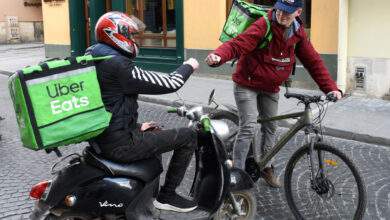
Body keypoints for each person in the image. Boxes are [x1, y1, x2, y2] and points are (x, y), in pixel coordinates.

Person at [206, 0, 342, 188]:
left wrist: (331, 88)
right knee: (249, 126)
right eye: (279, 10)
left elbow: (314, 61)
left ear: (298, 12)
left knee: (271, 128)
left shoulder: (297, 33)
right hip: (247, 84)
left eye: (287, 12)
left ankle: (266, 167)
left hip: (271, 87)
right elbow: (238, 44)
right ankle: (235, 174)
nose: (281, 15)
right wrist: (219, 55)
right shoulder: (264, 24)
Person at [87, 12, 199, 212]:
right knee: (189, 136)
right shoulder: (118, 64)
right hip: (120, 144)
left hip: (102, 136)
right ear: (116, 35)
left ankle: (142, 197)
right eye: (131, 36)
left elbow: (108, 102)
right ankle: (167, 196)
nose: (133, 40)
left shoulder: (94, 55)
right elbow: (170, 82)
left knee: (154, 131)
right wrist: (189, 66)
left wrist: (138, 126)